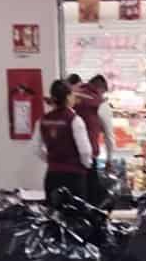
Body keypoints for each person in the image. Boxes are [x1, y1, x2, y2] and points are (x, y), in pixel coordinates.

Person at [32, 79, 93, 207]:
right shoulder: (75, 120)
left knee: (55, 217)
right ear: (67, 97)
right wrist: (86, 165)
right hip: (74, 177)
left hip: (53, 176)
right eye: (72, 94)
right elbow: (85, 151)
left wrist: (52, 161)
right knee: (76, 218)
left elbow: (36, 149)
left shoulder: (43, 120)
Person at [73, 74, 116, 206]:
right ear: (101, 88)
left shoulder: (73, 96)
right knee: (90, 201)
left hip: (67, 159)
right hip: (88, 158)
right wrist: (109, 159)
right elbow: (109, 135)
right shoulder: (100, 104)